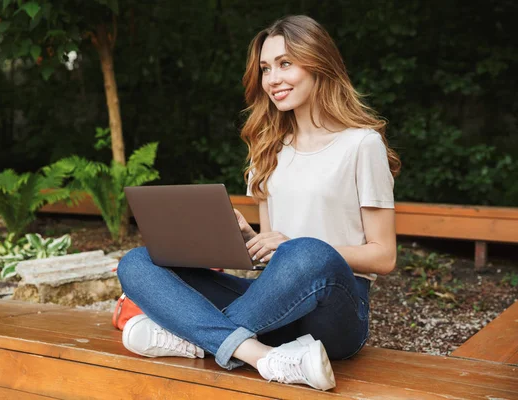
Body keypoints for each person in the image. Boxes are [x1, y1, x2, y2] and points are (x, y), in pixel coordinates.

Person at [117, 15, 400, 391]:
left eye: (286, 64)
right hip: (275, 308)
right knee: (136, 262)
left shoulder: (362, 144)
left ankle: (193, 339)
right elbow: (272, 254)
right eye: (266, 69)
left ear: (319, 64)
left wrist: (293, 246)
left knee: (308, 254)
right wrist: (246, 239)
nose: (273, 79)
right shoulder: (268, 150)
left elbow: (384, 256)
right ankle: (261, 356)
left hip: (337, 311)